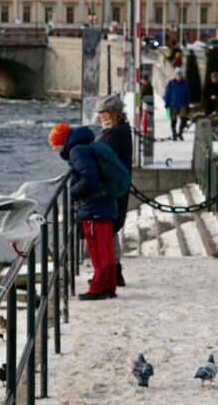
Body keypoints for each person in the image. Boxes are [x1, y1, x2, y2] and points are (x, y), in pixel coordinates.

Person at [49, 123, 118, 300]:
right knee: (106, 248)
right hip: (104, 203)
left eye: (54, 144)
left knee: (97, 249)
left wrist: (73, 192)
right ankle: (109, 285)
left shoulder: (77, 152)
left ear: (62, 142)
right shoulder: (84, 146)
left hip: (94, 206)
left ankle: (98, 288)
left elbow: (90, 178)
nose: (54, 149)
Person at [96, 95, 132, 287]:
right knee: (111, 230)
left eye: (102, 112)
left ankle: (112, 273)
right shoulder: (120, 131)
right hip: (118, 187)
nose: (100, 116)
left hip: (113, 189)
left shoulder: (115, 134)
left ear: (112, 113)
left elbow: (99, 153)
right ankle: (114, 272)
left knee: (108, 230)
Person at [164, 69, 191, 141]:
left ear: (182, 75)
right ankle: (174, 134)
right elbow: (167, 93)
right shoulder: (171, 83)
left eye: (180, 74)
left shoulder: (185, 84)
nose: (179, 76)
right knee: (173, 120)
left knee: (183, 119)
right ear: (175, 75)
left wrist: (187, 104)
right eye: (177, 74)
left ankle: (180, 133)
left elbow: (187, 95)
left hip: (183, 104)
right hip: (173, 104)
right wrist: (166, 103)